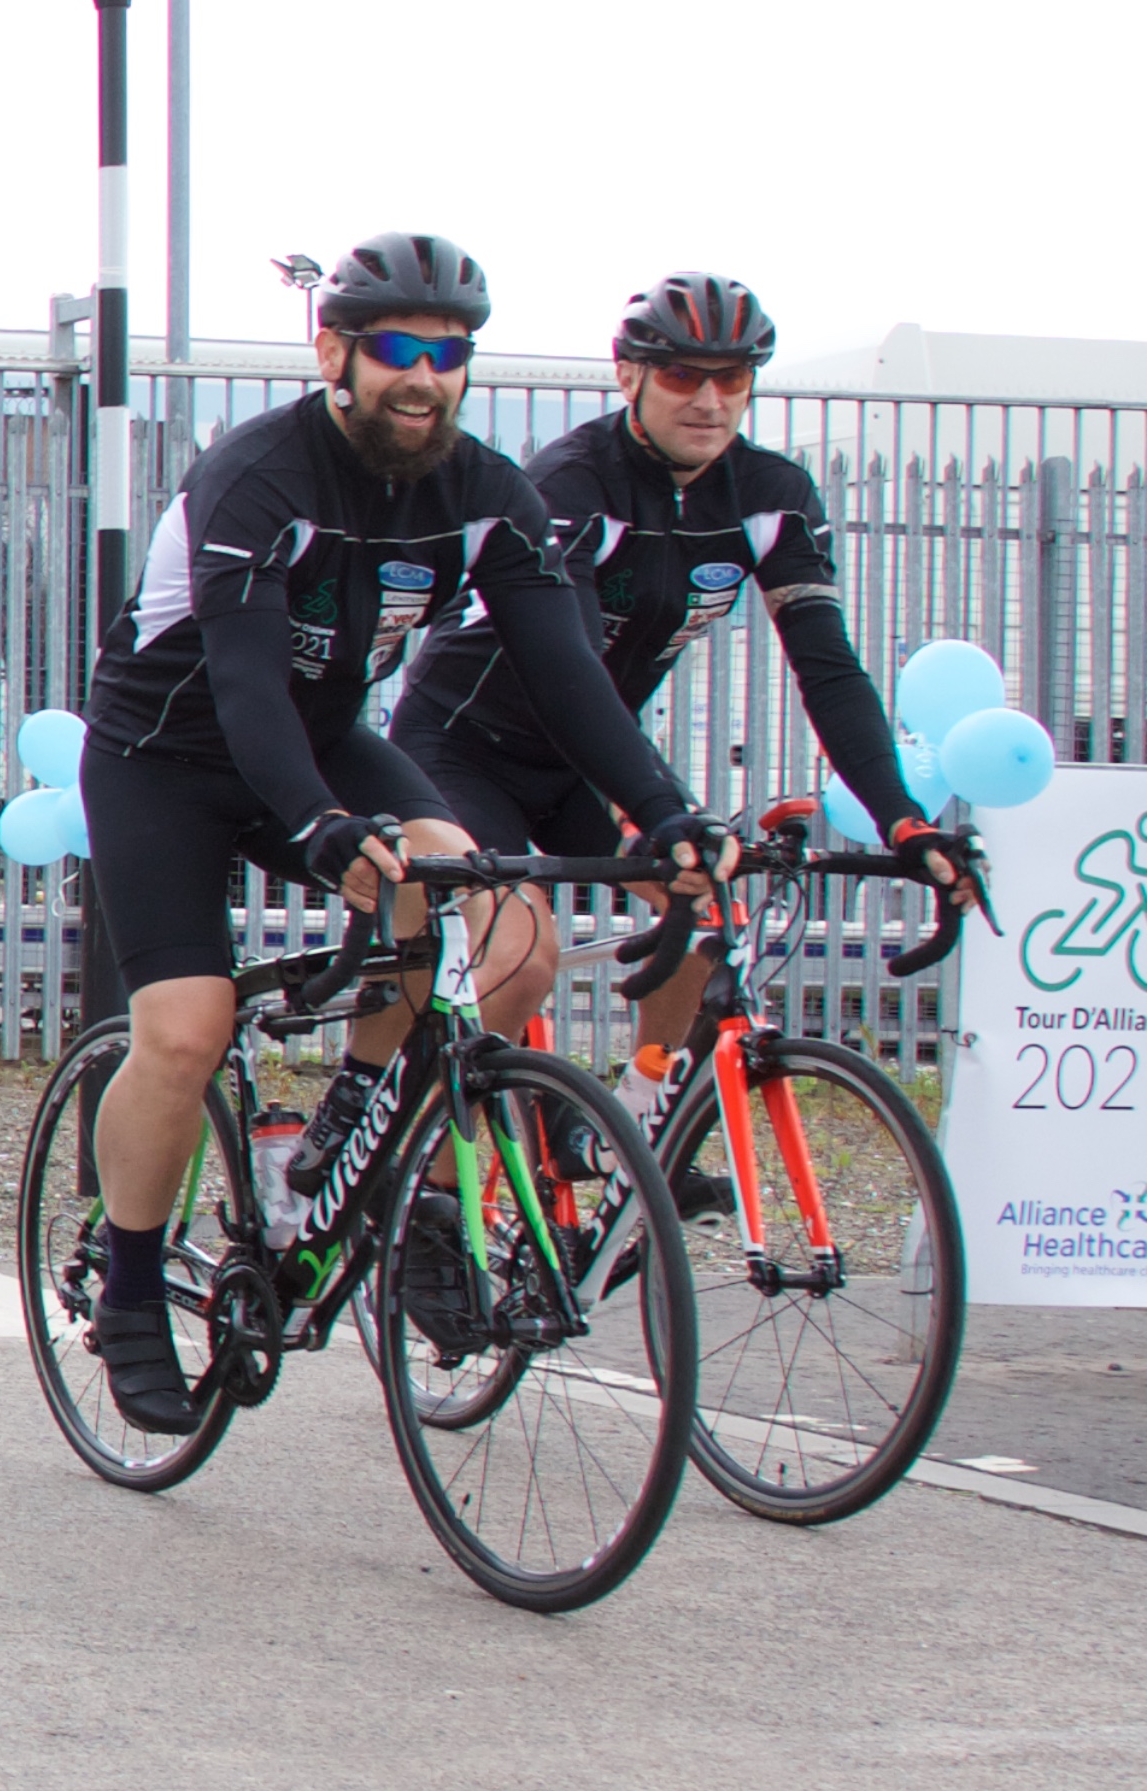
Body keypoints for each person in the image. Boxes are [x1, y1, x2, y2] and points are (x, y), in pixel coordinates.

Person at [67, 232, 724, 1436]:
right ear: (337, 353)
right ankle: (128, 1284)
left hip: (320, 741)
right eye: (399, 351)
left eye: (451, 354)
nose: (425, 376)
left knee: (484, 901)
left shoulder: (485, 492)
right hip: (168, 753)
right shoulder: (257, 474)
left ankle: (360, 1109)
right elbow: (248, 682)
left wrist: (669, 814)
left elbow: (571, 675)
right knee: (187, 1026)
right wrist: (317, 825)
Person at [390, 271, 976, 1121]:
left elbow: (830, 668)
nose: (708, 400)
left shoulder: (771, 498)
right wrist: (647, 809)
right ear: (628, 375)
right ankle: (429, 1194)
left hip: (593, 757)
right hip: (463, 747)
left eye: (731, 379)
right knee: (523, 957)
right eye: (681, 376)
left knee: (712, 916)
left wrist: (904, 818)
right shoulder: (572, 483)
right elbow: (574, 667)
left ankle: (633, 1123)